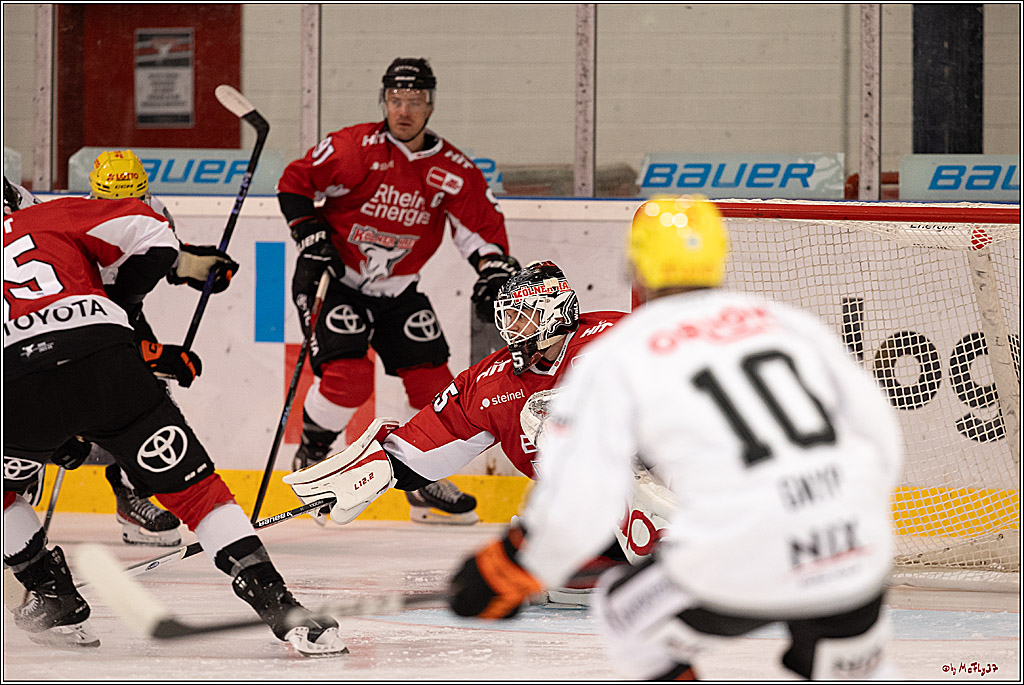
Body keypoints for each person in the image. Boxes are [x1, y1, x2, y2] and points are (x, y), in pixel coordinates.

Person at [446, 196, 905, 680]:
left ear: (637, 266)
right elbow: (880, 439)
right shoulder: (789, 325)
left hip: (741, 553)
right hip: (856, 546)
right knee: (848, 673)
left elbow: (578, 502)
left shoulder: (617, 354)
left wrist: (508, 567)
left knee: (621, 614)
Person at [2, 179, 346, 656]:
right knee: (200, 495)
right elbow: (155, 235)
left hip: (13, 384)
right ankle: (282, 608)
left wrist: (55, 444)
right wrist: (118, 308)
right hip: (106, 360)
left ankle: (50, 593)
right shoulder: (51, 214)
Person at [283, 260, 631, 602]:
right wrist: (379, 468)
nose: (512, 328)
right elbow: (437, 433)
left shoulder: (618, 338)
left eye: (522, 315)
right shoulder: (491, 383)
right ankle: (609, 551)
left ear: (555, 312)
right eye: (508, 317)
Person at [276, 57, 519, 524]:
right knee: (348, 382)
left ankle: (421, 480)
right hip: (337, 280)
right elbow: (295, 183)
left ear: (430, 106)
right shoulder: (353, 147)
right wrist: (311, 234)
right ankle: (312, 457)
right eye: (394, 99)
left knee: (436, 386)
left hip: (399, 289)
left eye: (414, 101)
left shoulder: (452, 169)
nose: (403, 110)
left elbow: (480, 231)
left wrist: (492, 269)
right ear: (383, 101)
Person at [86, 149, 240, 548]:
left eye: (133, 200)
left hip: (125, 312)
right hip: (79, 314)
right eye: (111, 203)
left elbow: (162, 256)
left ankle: (130, 495)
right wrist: (152, 355)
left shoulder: (155, 211)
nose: (125, 212)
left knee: (150, 403)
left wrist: (195, 267)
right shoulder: (78, 223)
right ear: (94, 196)